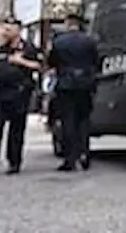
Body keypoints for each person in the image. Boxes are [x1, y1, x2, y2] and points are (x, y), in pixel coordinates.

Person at [0, 17, 42, 176]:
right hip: (1, 92)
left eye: (9, 29)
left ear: (17, 30)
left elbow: (39, 66)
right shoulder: (1, 49)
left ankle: (14, 162)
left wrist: (21, 61)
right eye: (4, 29)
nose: (5, 32)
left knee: (16, 130)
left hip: (19, 93)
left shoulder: (28, 48)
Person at [46, 13, 98, 172]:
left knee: (68, 121)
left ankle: (70, 158)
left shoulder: (59, 42)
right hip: (85, 83)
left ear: (67, 24)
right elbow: (96, 60)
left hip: (66, 84)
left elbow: (52, 62)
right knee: (84, 120)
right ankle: (85, 153)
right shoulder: (90, 41)